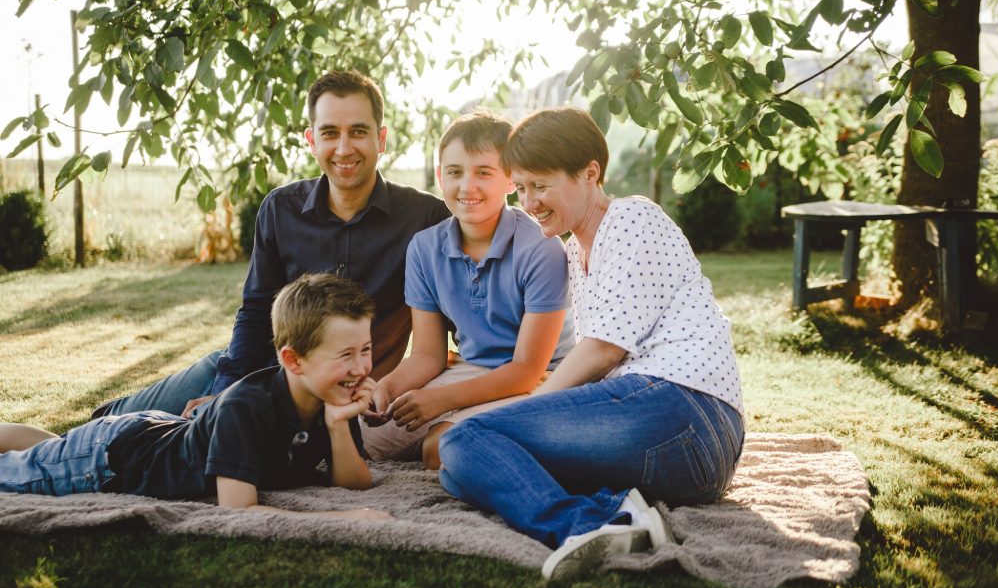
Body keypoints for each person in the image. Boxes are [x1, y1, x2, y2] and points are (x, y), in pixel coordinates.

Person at [437, 107, 745, 580]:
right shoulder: (575, 250)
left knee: (471, 436)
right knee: (457, 464)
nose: (529, 201)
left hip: (685, 410)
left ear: (590, 173)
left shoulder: (630, 217)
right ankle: (622, 515)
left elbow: (604, 350)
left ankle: (585, 524)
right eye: (520, 188)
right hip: (674, 447)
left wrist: (529, 407)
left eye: (540, 185)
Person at [90, 70, 450, 421]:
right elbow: (256, 310)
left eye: (358, 132)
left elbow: (456, 316)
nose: (343, 148)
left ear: (381, 139)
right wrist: (227, 390)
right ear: (311, 141)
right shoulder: (281, 209)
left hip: (331, 395)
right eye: (329, 133)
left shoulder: (424, 217)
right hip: (255, 370)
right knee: (111, 423)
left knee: (173, 441)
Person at [0, 273, 390, 521]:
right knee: (17, 475)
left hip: (153, 432)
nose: (361, 367)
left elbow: (353, 485)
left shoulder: (330, 394)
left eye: (365, 350)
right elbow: (238, 510)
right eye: (345, 355)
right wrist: (343, 518)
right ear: (293, 359)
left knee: (55, 449)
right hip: (110, 459)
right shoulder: (247, 406)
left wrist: (339, 426)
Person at [360, 110, 573, 469]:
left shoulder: (541, 248)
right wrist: (386, 388)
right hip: (474, 368)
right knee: (368, 438)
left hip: (545, 376)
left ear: (511, 179)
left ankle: (491, 437)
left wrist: (442, 400)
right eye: (454, 172)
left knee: (440, 447)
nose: (466, 187)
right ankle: (480, 428)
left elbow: (526, 369)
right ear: (440, 176)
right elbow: (428, 355)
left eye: (483, 173)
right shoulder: (424, 249)